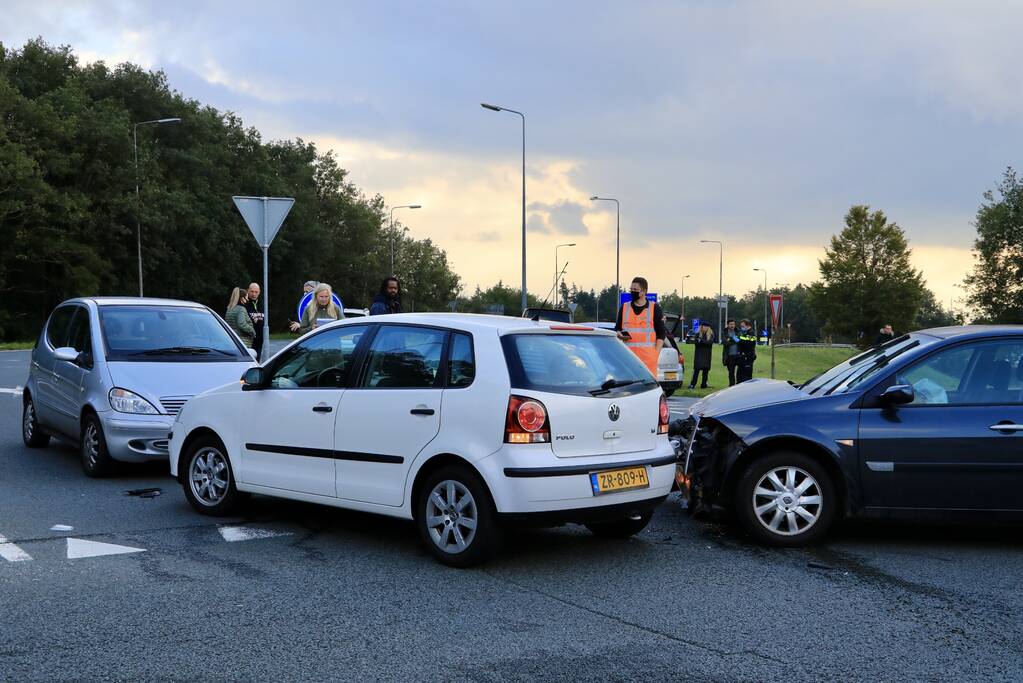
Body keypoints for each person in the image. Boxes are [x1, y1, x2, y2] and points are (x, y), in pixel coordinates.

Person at [614, 276, 666, 377]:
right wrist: (619, 334)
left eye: (635, 290)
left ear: (644, 291)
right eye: (631, 289)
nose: (632, 292)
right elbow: (617, 329)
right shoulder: (624, 307)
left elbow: (661, 334)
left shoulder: (654, 308)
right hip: (628, 360)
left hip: (648, 362)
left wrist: (655, 355)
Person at [688, 321, 714, 389]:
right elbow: (697, 343)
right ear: (701, 327)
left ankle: (704, 384)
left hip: (707, 355)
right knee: (696, 370)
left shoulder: (711, 335)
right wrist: (703, 342)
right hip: (699, 355)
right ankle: (692, 384)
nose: (705, 328)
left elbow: (709, 343)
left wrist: (701, 341)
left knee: (705, 371)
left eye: (706, 326)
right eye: (704, 326)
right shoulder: (697, 334)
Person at [243, 282, 264, 357]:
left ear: (259, 292)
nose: (254, 294)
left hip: (260, 340)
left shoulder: (262, 304)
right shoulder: (244, 304)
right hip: (248, 341)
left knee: (257, 361)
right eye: (252, 291)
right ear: (247, 291)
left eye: (256, 292)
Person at [736, 319, 758, 383]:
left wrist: (738, 340)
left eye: (743, 326)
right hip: (743, 357)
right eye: (741, 326)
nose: (741, 328)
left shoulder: (751, 333)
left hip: (748, 357)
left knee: (747, 376)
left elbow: (748, 343)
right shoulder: (744, 333)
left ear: (748, 325)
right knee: (739, 375)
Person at [721, 319, 740, 386]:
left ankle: (739, 385)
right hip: (729, 356)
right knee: (731, 372)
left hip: (738, 355)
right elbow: (725, 343)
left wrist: (730, 339)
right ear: (728, 325)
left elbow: (740, 341)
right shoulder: (724, 332)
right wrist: (734, 339)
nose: (732, 325)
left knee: (739, 372)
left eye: (733, 324)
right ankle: (732, 385)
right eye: (731, 324)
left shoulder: (738, 331)